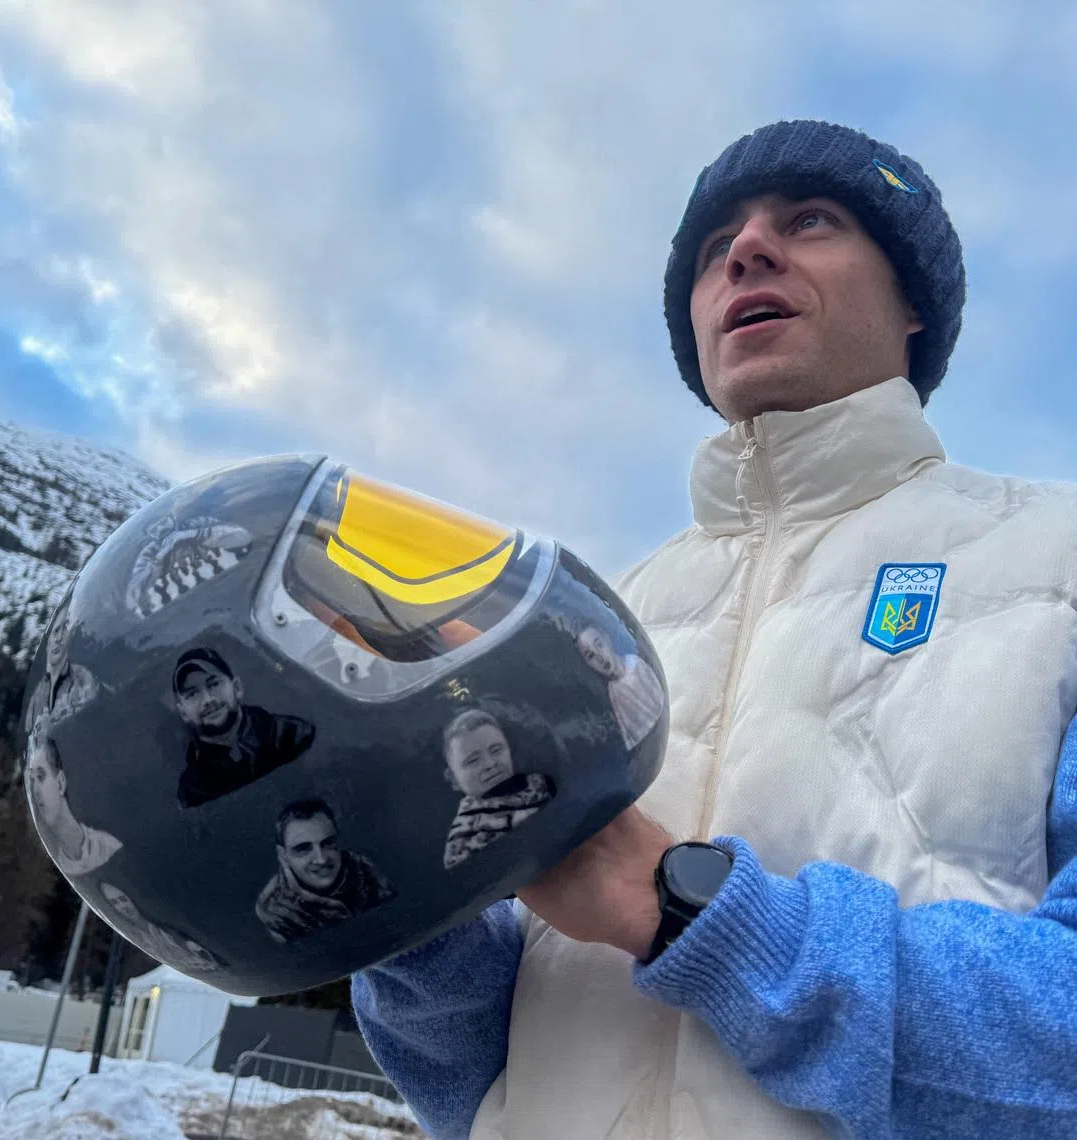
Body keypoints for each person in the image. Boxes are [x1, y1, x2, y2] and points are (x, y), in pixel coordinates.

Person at [350, 120, 1077, 1139]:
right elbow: (474, 1078)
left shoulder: (1058, 562)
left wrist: (688, 910)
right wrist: (412, 921)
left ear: (915, 299)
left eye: (810, 220)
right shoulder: (586, 620)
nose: (746, 252)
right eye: (712, 248)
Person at [172, 648, 316, 807]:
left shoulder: (291, 734)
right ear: (183, 713)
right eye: (192, 694)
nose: (208, 700)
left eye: (214, 684)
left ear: (237, 688)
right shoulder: (194, 790)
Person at [255, 799, 396, 942]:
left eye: (328, 843)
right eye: (303, 848)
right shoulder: (273, 911)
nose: (321, 859)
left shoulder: (366, 871)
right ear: (283, 856)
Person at [440, 708, 555, 868]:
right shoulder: (463, 843)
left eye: (496, 750)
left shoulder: (542, 783)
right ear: (453, 779)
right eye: (473, 760)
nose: (490, 764)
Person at [25, 736, 122, 877]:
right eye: (32, 780)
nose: (35, 791)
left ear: (60, 783)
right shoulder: (55, 869)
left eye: (40, 777)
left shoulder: (108, 848)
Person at [96, 881, 222, 974]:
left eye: (122, 899)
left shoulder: (163, 918)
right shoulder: (136, 937)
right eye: (115, 903)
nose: (123, 906)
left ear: (131, 898)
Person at [575, 622, 666, 749]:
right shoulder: (612, 690)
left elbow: (660, 704)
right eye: (590, 656)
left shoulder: (637, 666)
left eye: (599, 645)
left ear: (607, 640)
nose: (600, 657)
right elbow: (629, 734)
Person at [24, 591, 99, 742]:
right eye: (55, 631)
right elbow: (29, 738)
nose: (58, 638)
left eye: (64, 630)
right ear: (47, 643)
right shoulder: (36, 697)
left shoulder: (84, 680)